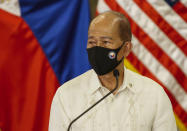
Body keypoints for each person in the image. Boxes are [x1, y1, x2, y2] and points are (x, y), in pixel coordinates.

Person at [49, 11, 177, 131]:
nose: (98, 48)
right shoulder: (66, 95)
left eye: (106, 42)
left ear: (126, 48)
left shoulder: (154, 94)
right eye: (92, 42)